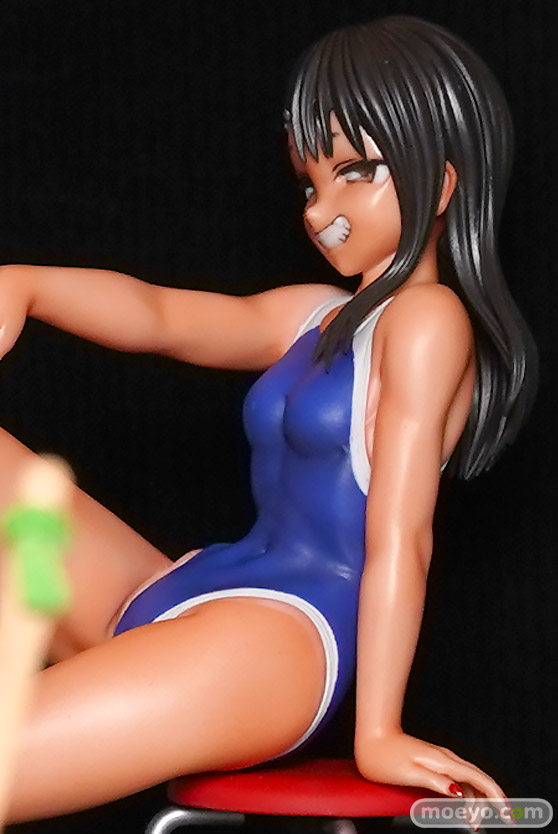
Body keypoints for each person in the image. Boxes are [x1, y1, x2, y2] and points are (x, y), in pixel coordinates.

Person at [0, 15, 537, 824]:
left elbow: (401, 537)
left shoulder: (428, 321)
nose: (323, 212)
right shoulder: (311, 315)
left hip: (279, 641)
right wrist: (27, 284)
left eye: (356, 173)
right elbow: (162, 316)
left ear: (442, 181)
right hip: (189, 590)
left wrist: (379, 730)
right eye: (310, 184)